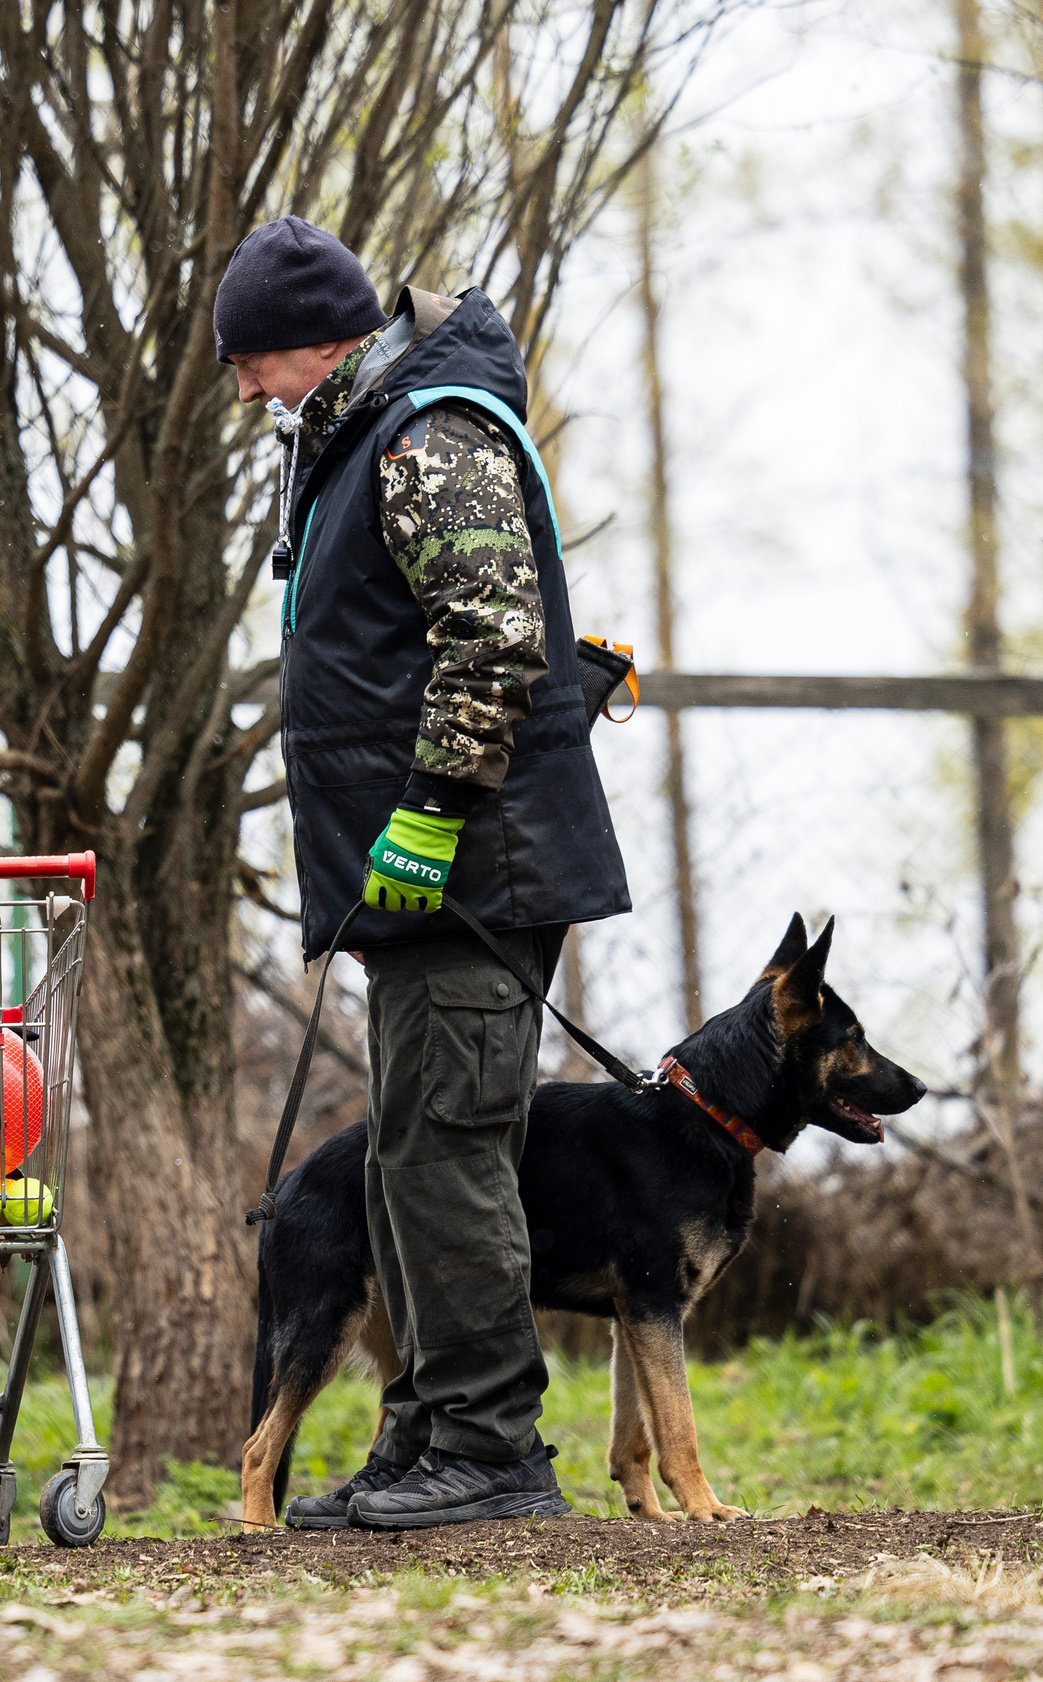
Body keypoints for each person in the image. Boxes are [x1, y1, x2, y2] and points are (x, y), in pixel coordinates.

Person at [218, 216, 632, 1530]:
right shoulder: (359, 438)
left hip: (474, 869)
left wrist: (436, 809)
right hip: (404, 883)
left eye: (255, 360)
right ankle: (427, 1436)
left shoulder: (424, 434)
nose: (243, 389)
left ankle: (495, 1451)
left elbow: (497, 635)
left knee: (449, 1154)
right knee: (404, 1158)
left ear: (321, 340)